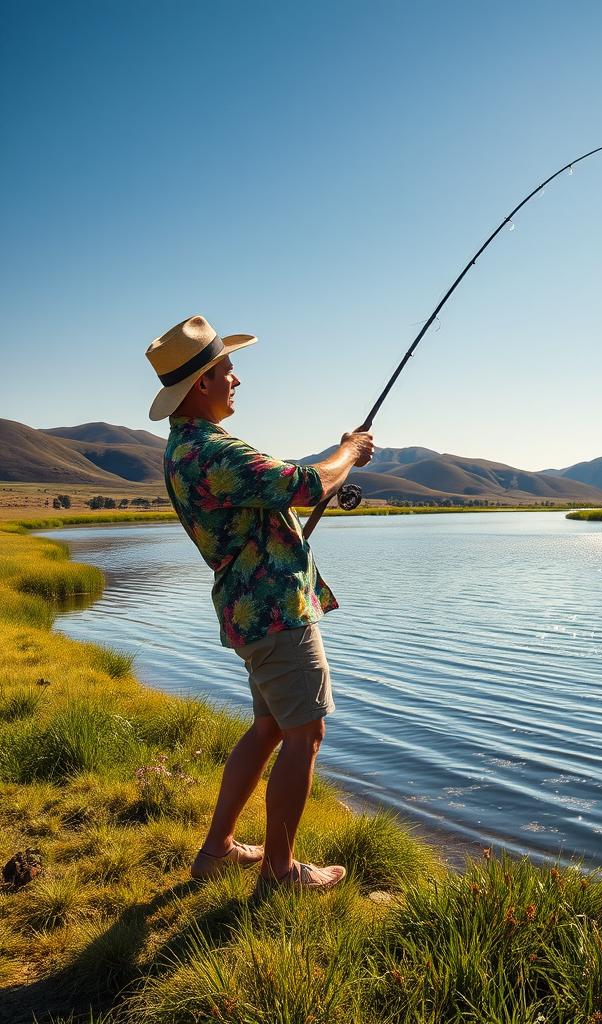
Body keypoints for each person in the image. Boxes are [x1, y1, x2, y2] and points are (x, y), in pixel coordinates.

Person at [145, 314, 373, 889]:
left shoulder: (190, 448)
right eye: (227, 370)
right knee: (306, 734)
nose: (236, 380)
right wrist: (346, 452)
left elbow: (285, 487)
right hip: (275, 611)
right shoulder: (210, 453)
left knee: (270, 727)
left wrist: (334, 464)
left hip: (252, 610)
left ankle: (218, 849)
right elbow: (305, 482)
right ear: (201, 384)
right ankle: (280, 872)